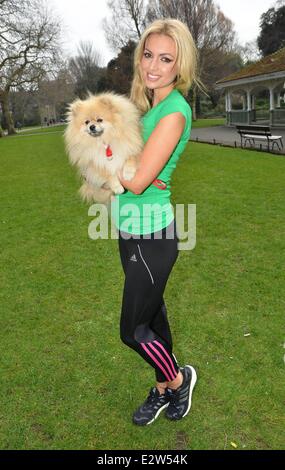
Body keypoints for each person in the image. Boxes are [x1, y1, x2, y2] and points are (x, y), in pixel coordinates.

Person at [111, 18, 202, 426]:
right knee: (152, 318)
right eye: (148, 55)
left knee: (132, 330)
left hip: (152, 236)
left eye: (165, 59)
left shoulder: (173, 111)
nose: (153, 66)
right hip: (129, 231)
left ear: (179, 65)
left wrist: (117, 168)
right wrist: (125, 169)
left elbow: (136, 179)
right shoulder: (147, 107)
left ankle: (178, 379)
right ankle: (163, 389)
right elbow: (129, 170)